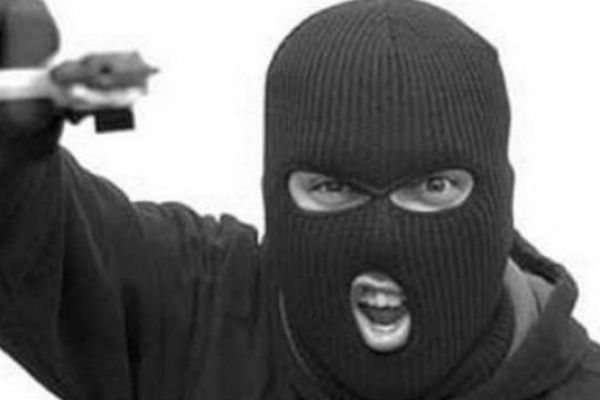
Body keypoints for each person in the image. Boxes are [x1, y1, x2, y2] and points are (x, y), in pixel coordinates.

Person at [0, 0, 599, 399]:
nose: (383, 239)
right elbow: (32, 239)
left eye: (433, 187)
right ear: (274, 191)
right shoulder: (196, 319)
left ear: (497, 195)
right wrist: (10, 151)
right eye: (333, 188)